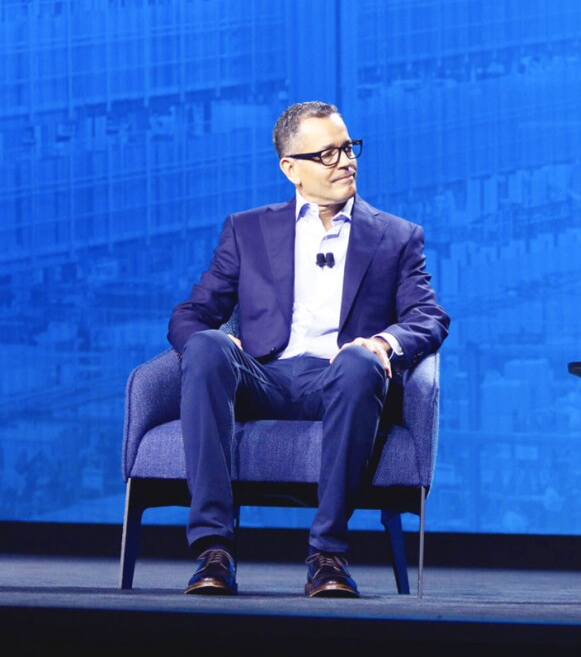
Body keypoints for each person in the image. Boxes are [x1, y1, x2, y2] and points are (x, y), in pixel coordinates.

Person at [167, 101, 450, 597]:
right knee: (206, 347)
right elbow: (189, 315)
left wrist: (382, 343)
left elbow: (428, 317)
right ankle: (214, 551)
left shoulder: (396, 236)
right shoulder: (247, 230)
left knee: (360, 361)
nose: (346, 161)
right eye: (328, 154)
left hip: (342, 381)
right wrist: (220, 341)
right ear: (291, 168)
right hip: (264, 379)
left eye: (348, 148)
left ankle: (328, 556)